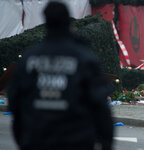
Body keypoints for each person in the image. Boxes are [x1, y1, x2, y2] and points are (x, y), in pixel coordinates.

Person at [8, 1, 113, 150]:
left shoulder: (29, 58)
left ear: (46, 21)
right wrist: (106, 142)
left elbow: (15, 100)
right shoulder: (83, 57)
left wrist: (22, 138)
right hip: (76, 140)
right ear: (68, 22)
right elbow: (100, 104)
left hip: (37, 139)